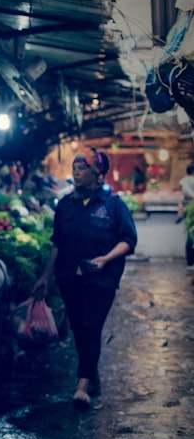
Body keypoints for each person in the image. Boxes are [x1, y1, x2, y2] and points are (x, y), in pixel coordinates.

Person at [33, 148, 137, 408]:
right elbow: (57, 244)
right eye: (75, 168)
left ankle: (82, 383)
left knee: (92, 326)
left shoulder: (113, 205)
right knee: (80, 328)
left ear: (97, 173)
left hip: (102, 278)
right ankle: (92, 376)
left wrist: (106, 259)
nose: (76, 173)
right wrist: (45, 277)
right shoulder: (66, 205)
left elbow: (128, 240)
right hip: (70, 277)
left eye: (82, 169)